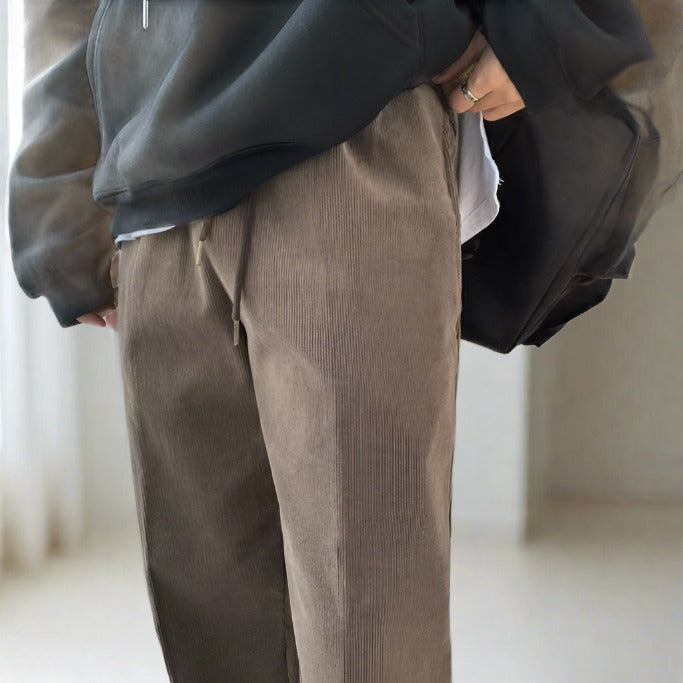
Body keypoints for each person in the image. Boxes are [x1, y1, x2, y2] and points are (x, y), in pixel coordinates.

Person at [7, 1, 650, 680]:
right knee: (212, 629)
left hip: (348, 120)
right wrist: (56, 192)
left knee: (367, 632)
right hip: (151, 176)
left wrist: (552, 25)